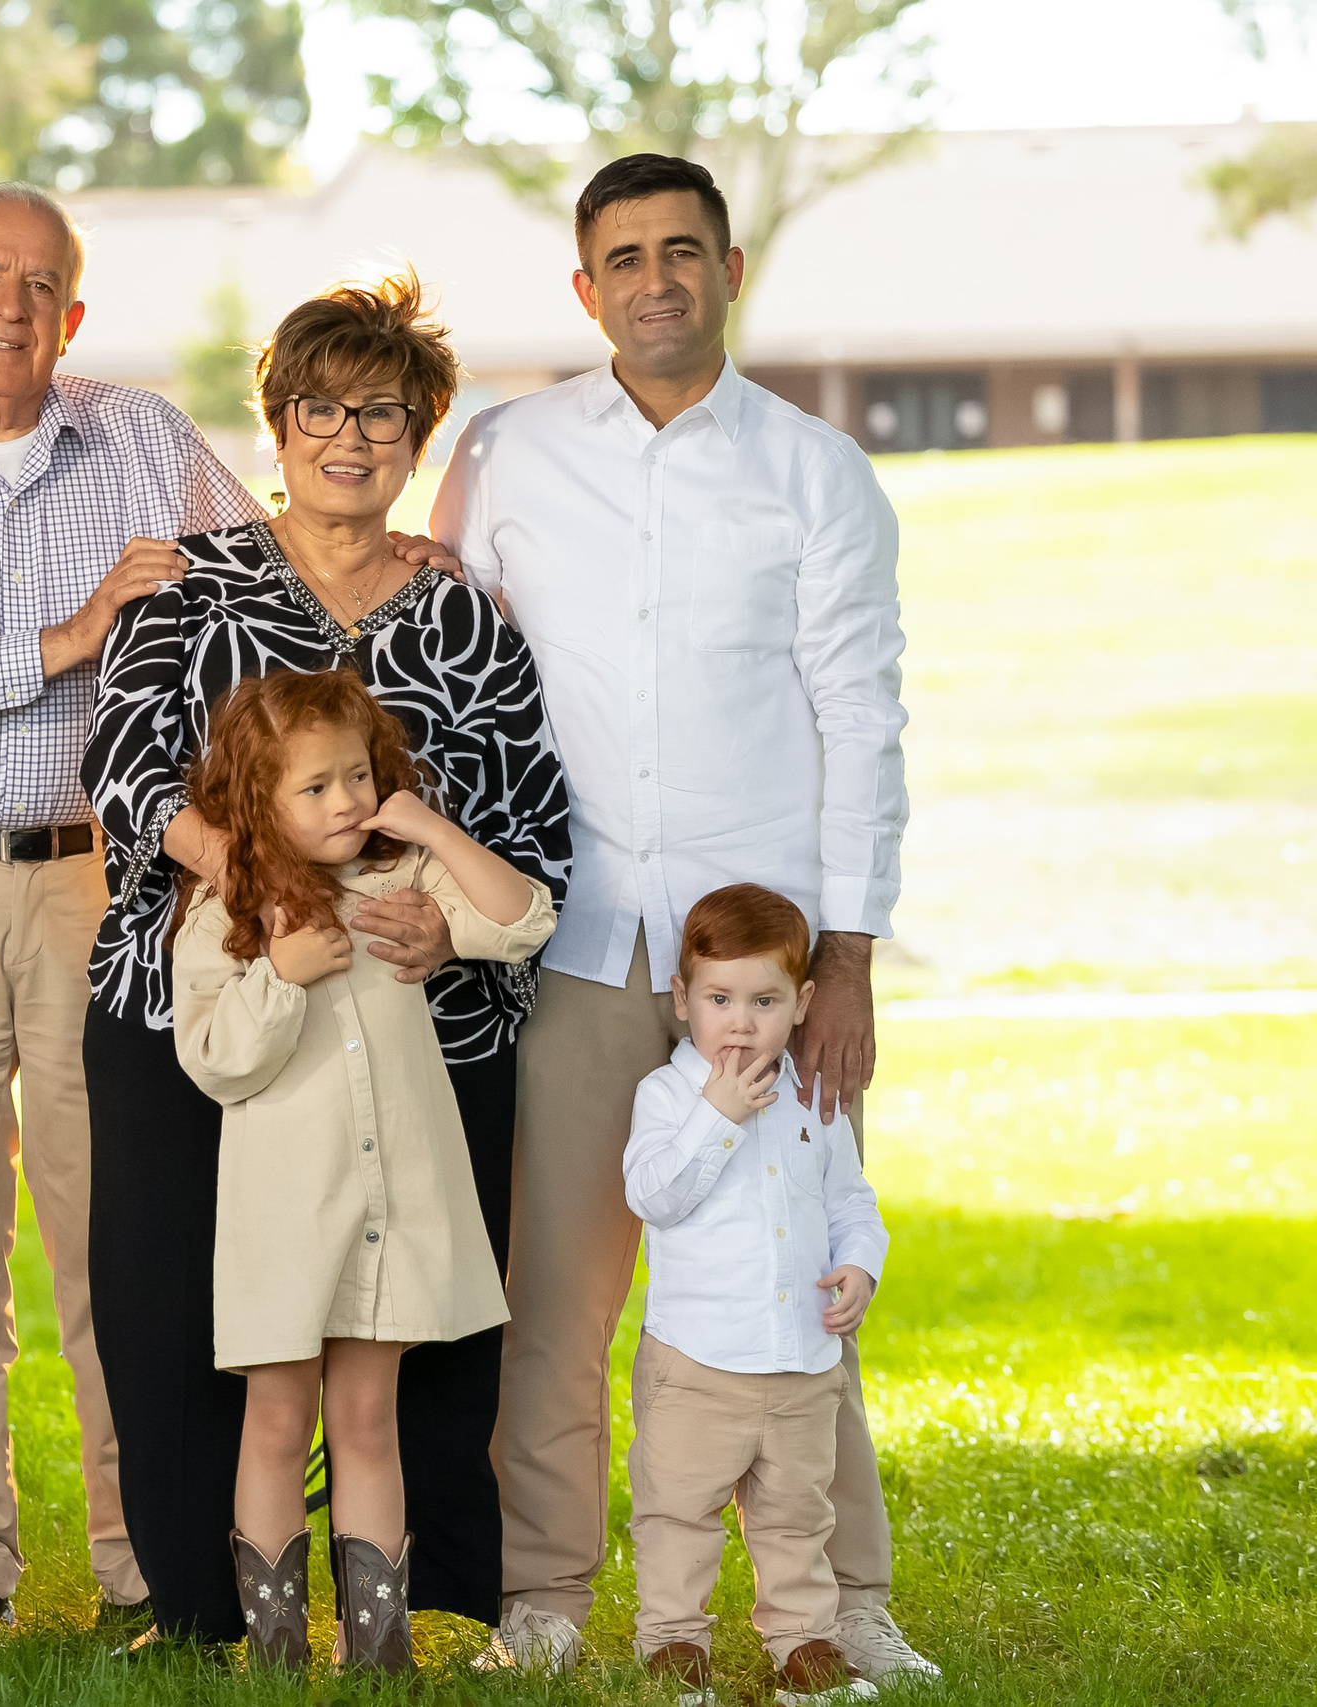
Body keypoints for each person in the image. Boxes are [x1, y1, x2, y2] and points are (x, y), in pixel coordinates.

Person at [0, 184, 462, 1637]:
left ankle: (136, 1561)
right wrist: (72, 633)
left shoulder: (147, 442)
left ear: (73, 315)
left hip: (103, 887)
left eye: (41, 284)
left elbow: (280, 571)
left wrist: (400, 554)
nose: (11, 306)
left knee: (114, 1241)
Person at [428, 152, 936, 1682]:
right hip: (579, 938)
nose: (656, 279)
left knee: (802, 1282)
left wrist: (849, 955)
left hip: (763, 968)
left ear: (728, 270)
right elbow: (454, 671)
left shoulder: (817, 472)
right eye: (627, 256)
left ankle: (843, 1601)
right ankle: (544, 1596)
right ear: (587, 289)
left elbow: (862, 715)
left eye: (682, 250)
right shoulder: (508, 453)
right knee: (556, 1297)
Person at [85, 272, 573, 1647]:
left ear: (419, 437)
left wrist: (443, 929)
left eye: (381, 414)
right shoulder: (193, 583)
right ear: (275, 421)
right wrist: (260, 884)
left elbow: (532, 823)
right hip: (201, 994)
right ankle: (207, 1613)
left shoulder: (464, 616)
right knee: (185, 1312)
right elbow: (120, 766)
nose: (348, 438)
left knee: (405, 1331)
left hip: (418, 1016)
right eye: (319, 408)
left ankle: (413, 1614)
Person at [170, 670, 554, 1673]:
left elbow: (522, 921)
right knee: (275, 1418)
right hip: (288, 1223)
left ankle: (377, 1653)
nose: (346, 800)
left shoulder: (400, 882)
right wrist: (280, 977)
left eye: (357, 775)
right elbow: (215, 1060)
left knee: (367, 1418)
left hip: (391, 1213)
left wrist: (429, 829)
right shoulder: (224, 912)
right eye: (315, 787)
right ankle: (278, 1656)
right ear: (258, 801)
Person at [623, 884, 889, 1706]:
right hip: (697, 1365)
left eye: (764, 1001)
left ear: (801, 1003)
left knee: (797, 1514)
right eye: (719, 999)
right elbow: (653, 1195)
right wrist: (718, 1114)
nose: (740, 1022)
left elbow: (851, 1201)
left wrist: (860, 1264)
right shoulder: (668, 1096)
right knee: (677, 1512)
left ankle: (803, 1640)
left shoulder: (815, 1099)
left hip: (800, 1362)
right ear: (683, 998)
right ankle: (673, 1642)